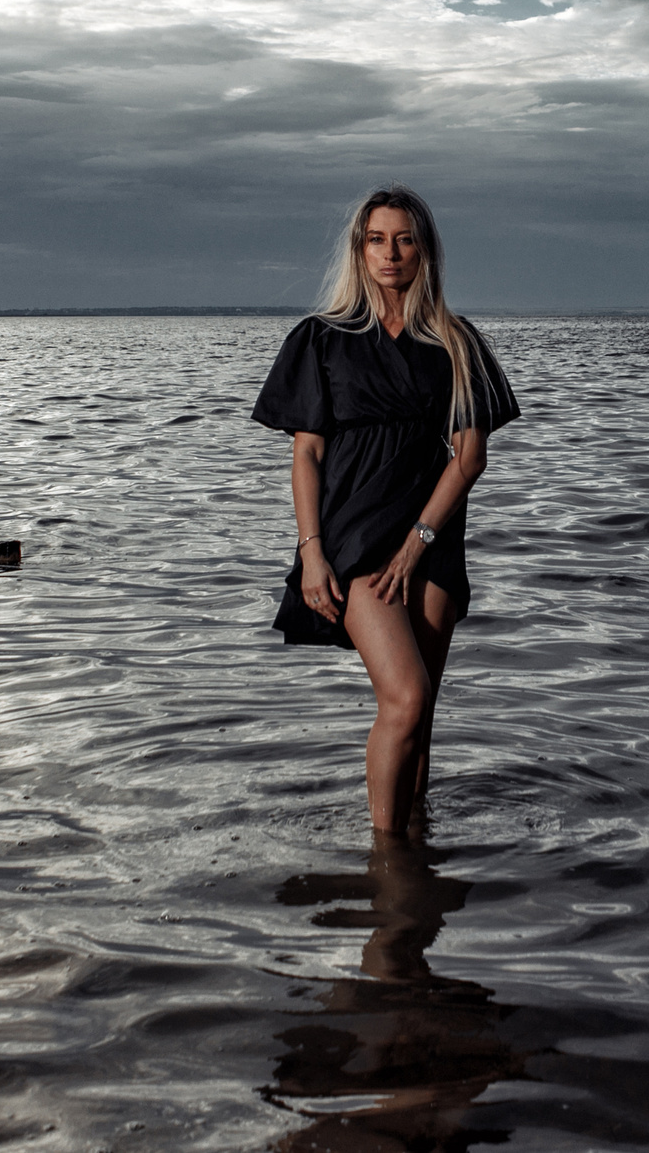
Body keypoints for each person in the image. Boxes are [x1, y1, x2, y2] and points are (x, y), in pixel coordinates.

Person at [251, 186, 520, 835]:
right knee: (405, 698)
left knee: (422, 719)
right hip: (356, 535)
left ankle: (415, 848)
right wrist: (312, 553)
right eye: (378, 239)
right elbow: (307, 455)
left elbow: (470, 456)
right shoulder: (320, 339)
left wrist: (419, 541)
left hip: (431, 536)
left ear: (424, 249)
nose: (391, 252)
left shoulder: (457, 341)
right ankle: (383, 857)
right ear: (360, 250)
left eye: (405, 239)